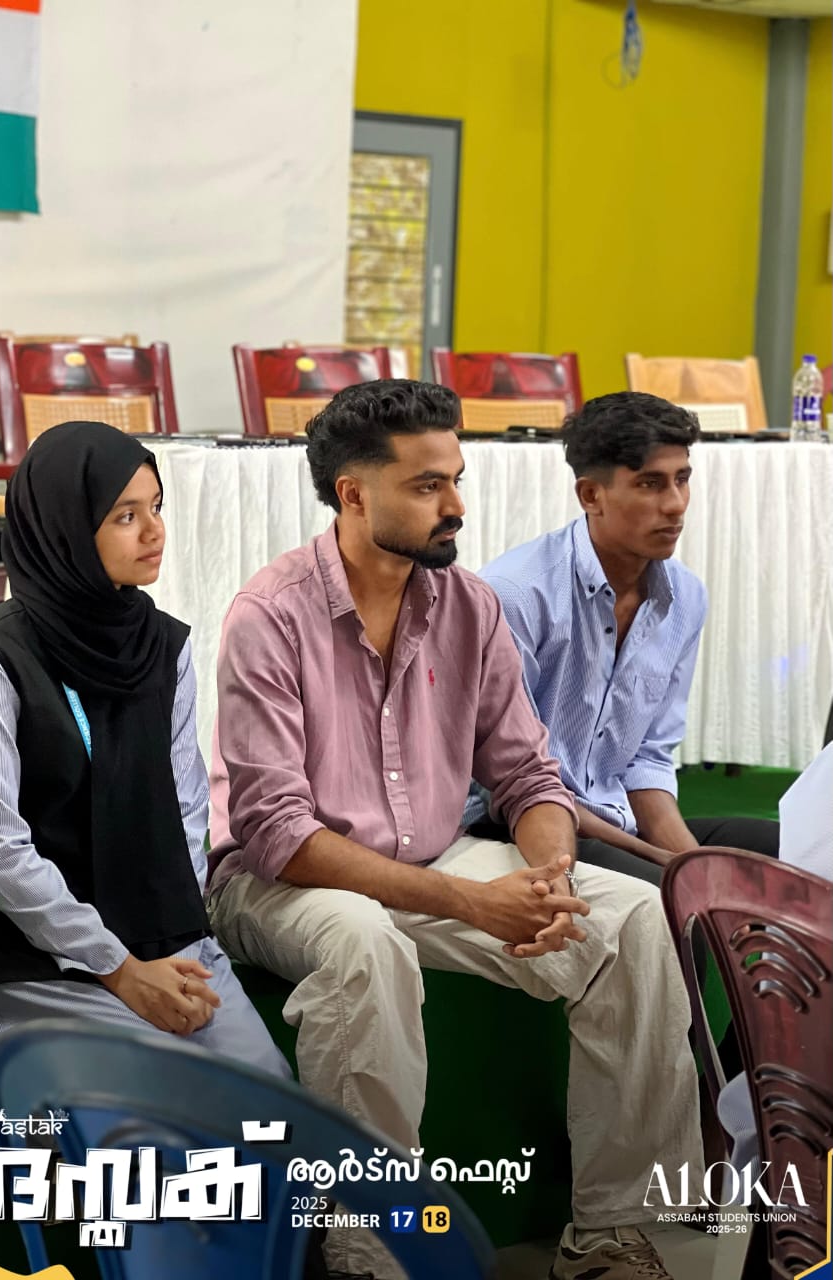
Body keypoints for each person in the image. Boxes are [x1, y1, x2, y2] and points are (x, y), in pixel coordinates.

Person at [208, 380, 704, 1280]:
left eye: (456, 480)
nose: (456, 507)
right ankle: (369, 1256)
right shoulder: (269, 613)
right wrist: (470, 903)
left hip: (433, 854)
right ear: (353, 494)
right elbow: (277, 832)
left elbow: (527, 775)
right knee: (362, 945)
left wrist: (549, 876)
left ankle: (609, 1234)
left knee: (632, 919)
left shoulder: (467, 605)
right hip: (281, 881)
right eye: (427, 485)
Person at [0, 421, 289, 1144]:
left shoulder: (164, 646)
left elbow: (185, 808)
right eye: (125, 515)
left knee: (268, 1102)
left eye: (156, 507)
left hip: (150, 927)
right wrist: (116, 967)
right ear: (64, 527)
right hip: (13, 945)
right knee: (158, 1102)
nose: (154, 531)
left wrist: (173, 938)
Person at [467, 392, 780, 885]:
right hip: (517, 824)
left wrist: (691, 863)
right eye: (650, 484)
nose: (675, 504)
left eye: (682, 479)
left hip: (613, 819)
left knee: (792, 854)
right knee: (671, 897)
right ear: (591, 495)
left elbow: (647, 759)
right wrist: (671, 868)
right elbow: (507, 780)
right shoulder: (516, 594)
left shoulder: (684, 596)